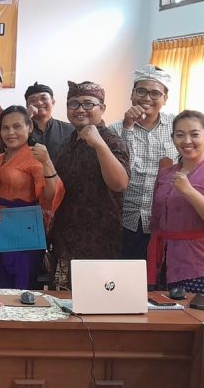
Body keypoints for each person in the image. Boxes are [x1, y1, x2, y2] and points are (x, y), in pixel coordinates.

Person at [108, 65, 204, 260]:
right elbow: (121, 169)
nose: (147, 98)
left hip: (169, 218)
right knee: (128, 272)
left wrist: (197, 184)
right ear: (132, 95)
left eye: (155, 93)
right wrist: (128, 127)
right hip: (126, 218)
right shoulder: (114, 129)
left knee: (163, 273)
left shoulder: (177, 126)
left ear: (165, 99)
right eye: (141, 91)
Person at [47, 81, 130, 290]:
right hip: (65, 238)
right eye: (73, 104)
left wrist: (99, 144)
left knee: (95, 300)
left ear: (102, 108)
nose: (80, 109)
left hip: (99, 241)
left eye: (88, 104)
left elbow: (119, 184)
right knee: (62, 302)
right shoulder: (67, 143)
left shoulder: (112, 141)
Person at [149, 110, 204, 294]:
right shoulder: (166, 174)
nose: (187, 141)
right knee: (164, 311)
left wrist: (189, 191)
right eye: (180, 135)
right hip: (165, 262)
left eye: (195, 134)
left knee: (194, 313)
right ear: (173, 138)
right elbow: (157, 219)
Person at [0, 106, 64, 289]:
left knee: (21, 284)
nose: (10, 132)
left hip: (23, 229)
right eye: (5, 127)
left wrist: (46, 162)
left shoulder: (35, 158)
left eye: (17, 126)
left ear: (29, 127)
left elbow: (49, 197)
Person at [24, 82, 73, 163]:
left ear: (53, 102)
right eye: (33, 100)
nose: (39, 103)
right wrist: (26, 117)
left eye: (43, 98)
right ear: (27, 105)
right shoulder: (20, 131)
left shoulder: (70, 130)